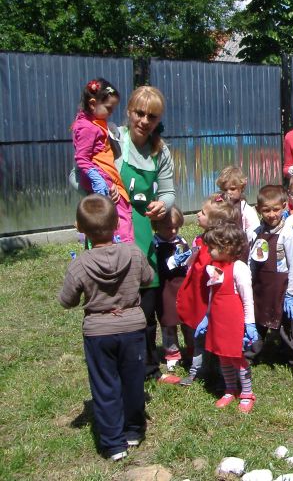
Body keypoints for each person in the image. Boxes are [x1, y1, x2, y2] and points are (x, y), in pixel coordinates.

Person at [58, 195, 152, 461]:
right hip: (133, 328)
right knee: (133, 381)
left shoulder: (80, 264)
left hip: (98, 332)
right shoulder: (133, 253)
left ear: (79, 227)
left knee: (105, 385)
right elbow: (148, 278)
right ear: (117, 223)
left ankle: (113, 444)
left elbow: (66, 301)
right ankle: (134, 431)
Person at [109, 86, 176, 381]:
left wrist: (163, 204)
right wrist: (99, 190)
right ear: (129, 111)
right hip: (111, 231)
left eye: (152, 116)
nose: (145, 121)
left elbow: (169, 191)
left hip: (142, 231)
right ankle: (116, 364)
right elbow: (77, 176)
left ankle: (149, 367)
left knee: (147, 302)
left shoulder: (161, 150)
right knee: (113, 302)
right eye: (140, 113)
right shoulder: (112, 141)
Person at [194, 223, 258, 413]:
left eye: (212, 247)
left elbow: (247, 299)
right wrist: (207, 316)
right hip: (218, 318)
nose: (209, 251)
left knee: (237, 357)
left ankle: (247, 393)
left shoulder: (239, 268)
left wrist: (250, 324)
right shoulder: (215, 267)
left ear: (227, 247)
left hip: (234, 320)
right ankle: (230, 389)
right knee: (223, 356)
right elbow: (213, 293)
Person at [175, 194, 238, 386]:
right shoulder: (201, 240)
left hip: (210, 300)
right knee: (197, 335)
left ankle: (219, 373)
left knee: (212, 336)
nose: (198, 214)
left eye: (202, 213)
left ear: (214, 222)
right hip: (196, 296)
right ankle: (199, 369)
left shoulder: (218, 250)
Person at [249, 185, 293, 382]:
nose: (271, 214)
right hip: (261, 288)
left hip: (282, 289)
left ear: (284, 206)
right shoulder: (256, 233)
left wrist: (292, 293)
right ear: (259, 210)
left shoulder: (287, 234)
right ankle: (249, 355)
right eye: (266, 210)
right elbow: (251, 261)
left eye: (276, 209)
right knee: (258, 323)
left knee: (288, 327)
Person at [72, 78, 133, 243]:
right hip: (103, 178)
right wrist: (99, 182)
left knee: (121, 214)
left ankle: (123, 246)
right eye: (108, 108)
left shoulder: (96, 123)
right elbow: (82, 158)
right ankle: (121, 247)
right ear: (93, 104)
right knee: (115, 217)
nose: (111, 112)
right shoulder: (87, 127)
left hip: (109, 177)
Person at [151, 207, 191, 381]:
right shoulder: (154, 244)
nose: (173, 231)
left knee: (187, 321)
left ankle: (191, 349)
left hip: (181, 286)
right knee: (168, 321)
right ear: (157, 225)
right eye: (169, 227)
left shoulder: (180, 241)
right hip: (165, 287)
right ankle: (172, 353)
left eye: (176, 227)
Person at [216, 166, 260, 243]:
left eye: (232, 189)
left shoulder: (246, 210)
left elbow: (253, 233)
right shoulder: (218, 206)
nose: (228, 192)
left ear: (241, 188)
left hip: (240, 245)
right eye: (225, 189)